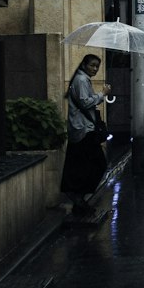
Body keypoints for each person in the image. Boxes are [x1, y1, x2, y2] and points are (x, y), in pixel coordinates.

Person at [60, 53, 111, 215]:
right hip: (83, 130)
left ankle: (78, 200)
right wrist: (102, 94)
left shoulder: (82, 79)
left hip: (83, 128)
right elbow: (85, 101)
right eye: (92, 65)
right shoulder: (81, 80)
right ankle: (78, 197)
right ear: (84, 65)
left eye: (97, 66)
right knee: (98, 164)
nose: (95, 69)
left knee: (83, 165)